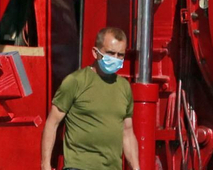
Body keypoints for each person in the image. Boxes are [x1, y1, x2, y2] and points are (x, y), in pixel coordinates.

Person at [41, 27, 140, 170]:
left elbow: (128, 132)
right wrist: (45, 165)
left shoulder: (124, 87)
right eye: (110, 53)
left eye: (120, 55)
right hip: (79, 166)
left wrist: (136, 167)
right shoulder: (75, 81)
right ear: (95, 52)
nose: (115, 58)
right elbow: (52, 123)